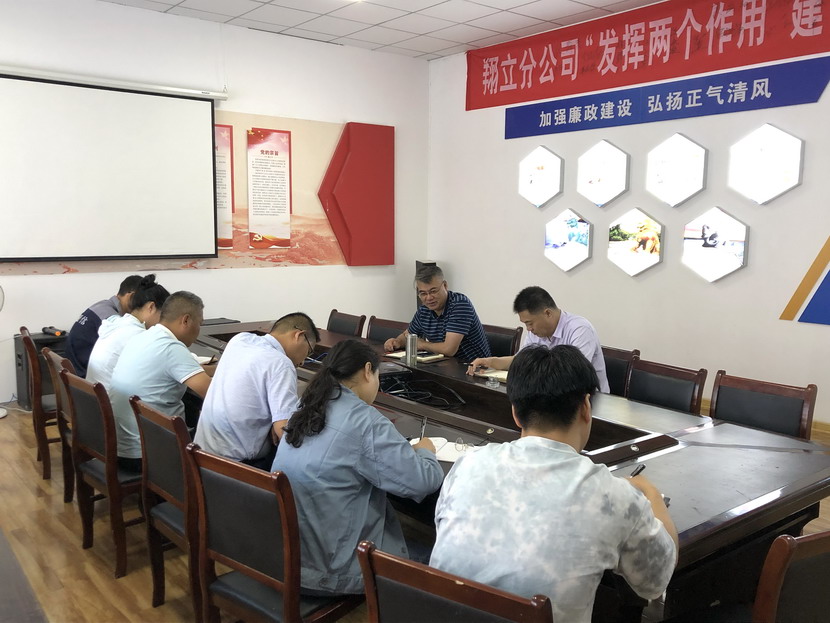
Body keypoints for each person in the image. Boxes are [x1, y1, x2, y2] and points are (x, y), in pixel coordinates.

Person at [431, 345, 678, 623]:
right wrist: (651, 495)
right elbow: (656, 580)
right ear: (586, 408)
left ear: (515, 413)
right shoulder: (613, 496)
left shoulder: (468, 464)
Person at [273, 339, 444, 596]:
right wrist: (425, 451)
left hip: (289, 558)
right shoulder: (364, 420)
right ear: (367, 370)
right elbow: (423, 481)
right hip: (334, 572)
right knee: (442, 559)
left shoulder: (307, 406)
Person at [194, 312, 319, 470]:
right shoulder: (281, 363)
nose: (302, 362)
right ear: (299, 335)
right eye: (308, 352)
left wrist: (274, 419)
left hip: (201, 451)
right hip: (234, 466)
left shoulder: (240, 339)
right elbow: (285, 431)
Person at [109, 291, 213, 472]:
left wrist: (224, 368)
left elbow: (190, 370)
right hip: (148, 455)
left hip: (122, 446)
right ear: (186, 320)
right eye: (200, 324)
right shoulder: (171, 348)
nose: (199, 330)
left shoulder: (145, 337)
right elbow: (213, 393)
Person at [467, 286, 609, 393]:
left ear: (547, 313)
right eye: (525, 324)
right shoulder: (537, 332)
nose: (528, 329)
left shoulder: (580, 329)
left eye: (530, 323)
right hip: (550, 394)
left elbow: (572, 375)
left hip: (588, 400)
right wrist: (491, 362)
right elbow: (521, 361)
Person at [383, 265, 490, 362]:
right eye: (423, 293)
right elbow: (407, 336)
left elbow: (449, 349)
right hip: (445, 367)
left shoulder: (459, 304)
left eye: (433, 291)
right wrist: (397, 342)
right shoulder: (424, 310)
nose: (429, 298)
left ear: (445, 285)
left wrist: (422, 344)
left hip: (475, 369)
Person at [86, 275, 170, 390]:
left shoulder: (118, 323)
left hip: (94, 395)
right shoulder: (137, 334)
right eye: (163, 315)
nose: (163, 321)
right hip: (110, 398)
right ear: (151, 307)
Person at [65, 275, 142, 377]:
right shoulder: (111, 319)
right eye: (142, 303)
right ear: (131, 297)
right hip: (84, 374)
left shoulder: (102, 305)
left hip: (75, 370)